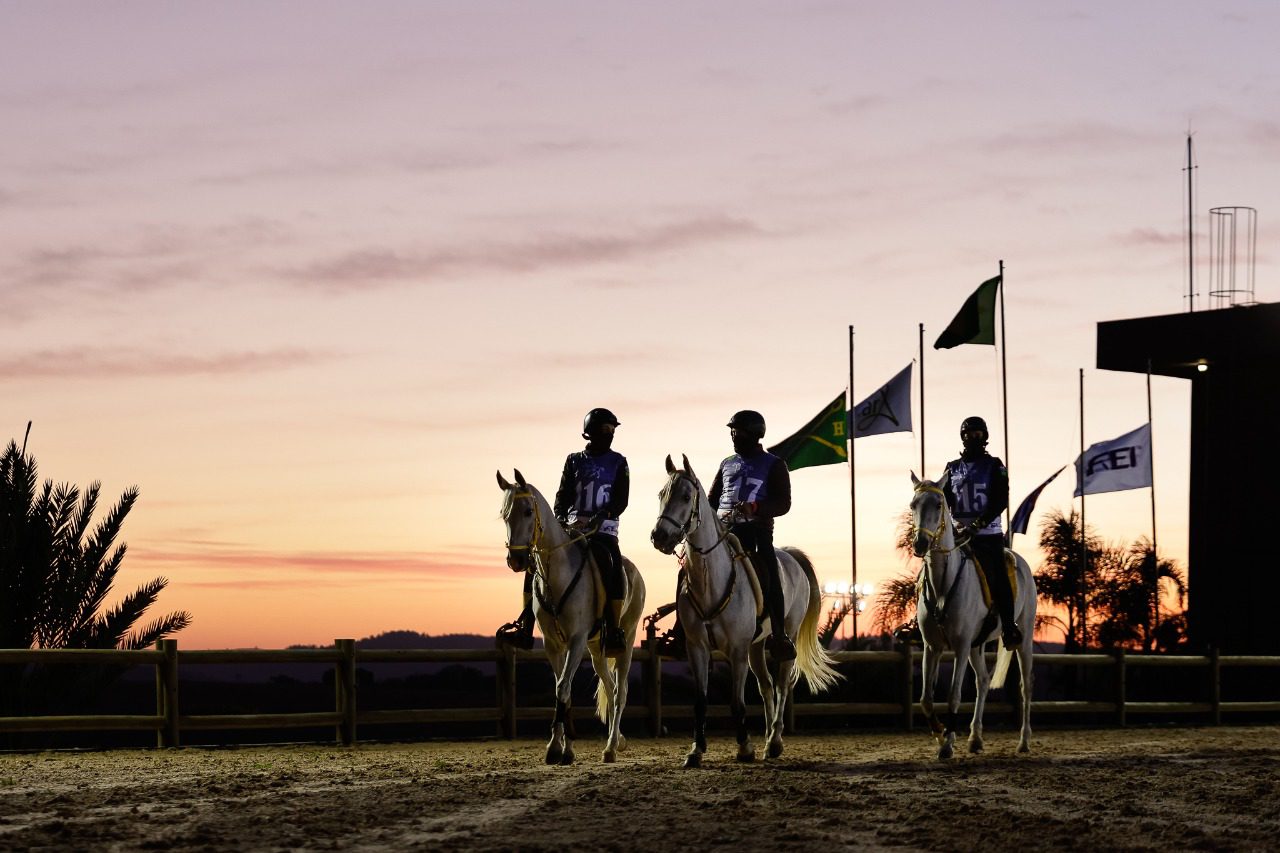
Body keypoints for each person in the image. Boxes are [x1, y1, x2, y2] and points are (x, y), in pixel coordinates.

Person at [496, 408, 631, 653]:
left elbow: (621, 500)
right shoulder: (574, 460)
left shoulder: (619, 462)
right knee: (535, 565)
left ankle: (613, 630)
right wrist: (560, 517)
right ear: (591, 432)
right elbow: (563, 495)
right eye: (606, 428)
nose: (610, 433)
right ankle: (526, 627)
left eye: (613, 429)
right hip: (572, 529)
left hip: (603, 532)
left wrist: (603, 516)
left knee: (611, 566)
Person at [708, 410, 796, 661]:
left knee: (769, 569)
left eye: (739, 432)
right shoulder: (726, 463)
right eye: (733, 432)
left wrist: (755, 508)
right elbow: (712, 500)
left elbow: (783, 503)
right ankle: (681, 631)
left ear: (755, 434)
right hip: (724, 532)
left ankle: (779, 635)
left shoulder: (775, 464)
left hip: (756, 532)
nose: (734, 436)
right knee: (692, 566)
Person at [942, 415, 1022, 649]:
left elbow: (1001, 500)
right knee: (932, 567)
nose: (973, 438)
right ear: (963, 437)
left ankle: (1009, 627)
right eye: (969, 434)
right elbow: (944, 499)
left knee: (997, 574)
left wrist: (979, 524)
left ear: (984, 437)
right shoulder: (952, 468)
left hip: (988, 535)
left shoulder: (995, 465)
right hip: (958, 536)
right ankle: (918, 621)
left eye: (977, 434)